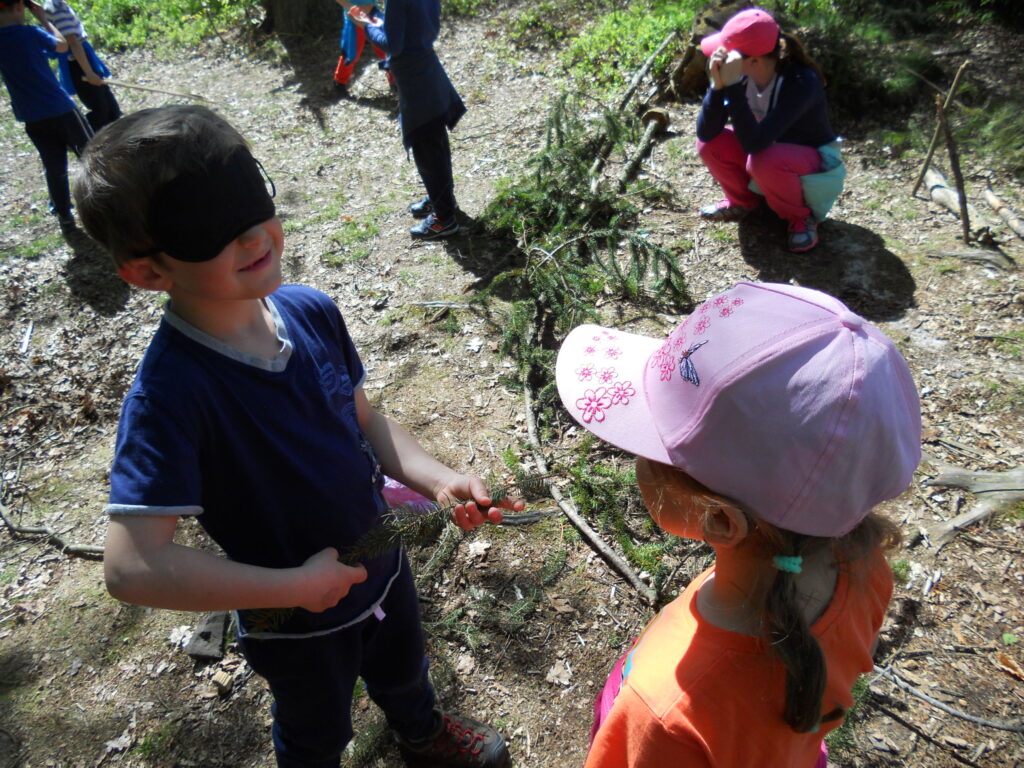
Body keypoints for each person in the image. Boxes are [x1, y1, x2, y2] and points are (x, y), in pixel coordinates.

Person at [73, 104, 519, 768]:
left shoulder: (311, 311)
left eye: (254, 204)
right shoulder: (172, 395)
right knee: (315, 732)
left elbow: (365, 420)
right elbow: (132, 568)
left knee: (405, 671)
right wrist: (296, 588)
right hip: (296, 622)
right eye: (211, 229)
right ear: (149, 272)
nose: (254, 235)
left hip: (383, 566)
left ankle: (422, 734)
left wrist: (438, 478)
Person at [555, 281, 921, 767]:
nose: (633, 458)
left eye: (648, 447)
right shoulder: (866, 566)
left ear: (721, 520)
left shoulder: (663, 709)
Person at [695, 7, 845, 253]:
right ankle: (743, 203)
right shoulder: (742, 76)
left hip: (813, 167)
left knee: (764, 158)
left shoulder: (800, 81)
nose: (719, 57)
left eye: (727, 53)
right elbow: (706, 132)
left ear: (753, 60)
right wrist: (717, 86)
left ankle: (801, 218)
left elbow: (755, 144)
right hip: (768, 155)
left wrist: (732, 87)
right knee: (709, 144)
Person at [350, 0, 465, 239]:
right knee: (435, 143)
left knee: (427, 149)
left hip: (416, 82)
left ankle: (444, 218)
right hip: (428, 70)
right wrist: (375, 19)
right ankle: (442, 200)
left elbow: (393, 45)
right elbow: (412, 27)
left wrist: (365, 25)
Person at [0, 0, 91, 230]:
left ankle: (64, 214)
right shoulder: (30, 33)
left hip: (31, 115)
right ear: (19, 7)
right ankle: (107, 202)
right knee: (91, 154)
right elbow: (61, 45)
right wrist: (44, 19)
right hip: (60, 108)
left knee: (53, 164)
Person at [26, 0, 122, 132]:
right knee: (101, 110)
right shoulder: (55, 7)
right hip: (79, 63)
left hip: (83, 60)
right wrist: (89, 73)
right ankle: (88, 137)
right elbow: (73, 43)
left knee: (110, 107)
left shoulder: (57, 4)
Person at [332, 0, 393, 95]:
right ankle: (339, 83)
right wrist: (351, 7)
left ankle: (393, 79)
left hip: (373, 13)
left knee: (385, 50)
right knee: (351, 53)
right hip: (354, 18)